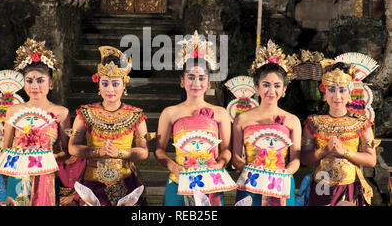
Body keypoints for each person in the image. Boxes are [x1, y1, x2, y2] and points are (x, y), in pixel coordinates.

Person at [154, 31, 235, 206]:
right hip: (178, 180)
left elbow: (227, 150)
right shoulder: (170, 112)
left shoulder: (220, 113)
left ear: (209, 82)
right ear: (182, 81)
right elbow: (159, 150)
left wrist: (220, 163)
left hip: (210, 182)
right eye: (191, 77)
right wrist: (172, 166)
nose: (196, 83)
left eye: (201, 78)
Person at [68, 46, 149, 206]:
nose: (110, 89)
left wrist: (120, 152)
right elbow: (72, 147)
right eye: (105, 83)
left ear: (124, 85)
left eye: (115, 83)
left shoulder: (136, 115)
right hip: (92, 181)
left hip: (125, 180)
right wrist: (97, 151)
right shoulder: (85, 113)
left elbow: (144, 152)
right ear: (98, 85)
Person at [0, 38, 70, 206]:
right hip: (19, 175)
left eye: (40, 80)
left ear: (50, 84)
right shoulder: (13, 111)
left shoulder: (61, 113)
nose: (35, 85)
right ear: (23, 84)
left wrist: (49, 157)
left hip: (47, 176)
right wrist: (20, 157)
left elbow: (67, 152)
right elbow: (7, 149)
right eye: (29, 80)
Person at [232, 40, 301, 206]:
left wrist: (282, 173)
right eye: (266, 85)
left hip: (280, 183)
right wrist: (253, 172)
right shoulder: (242, 119)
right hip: (251, 182)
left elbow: (296, 159)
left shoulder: (292, 121)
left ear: (284, 89)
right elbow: (235, 158)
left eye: (277, 85)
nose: (271, 91)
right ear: (256, 86)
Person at [301, 61, 376, 206]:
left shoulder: (362, 123)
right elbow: (304, 159)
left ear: (350, 92)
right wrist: (325, 150)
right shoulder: (312, 122)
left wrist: (344, 151)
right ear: (324, 91)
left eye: (342, 90)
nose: (337, 96)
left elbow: (371, 160)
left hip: (348, 188)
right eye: (331, 89)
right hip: (320, 188)